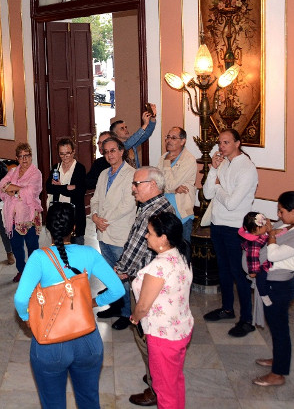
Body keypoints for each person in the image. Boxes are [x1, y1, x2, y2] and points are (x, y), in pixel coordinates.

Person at [14, 202, 124, 409]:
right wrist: (93, 302)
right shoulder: (90, 254)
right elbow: (118, 289)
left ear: (48, 228)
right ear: (74, 228)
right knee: (89, 400)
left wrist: (26, 318)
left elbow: (21, 298)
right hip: (88, 341)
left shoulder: (39, 257)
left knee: (53, 403)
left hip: (51, 342)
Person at [115, 166, 174, 407]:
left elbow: (137, 247)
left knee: (146, 336)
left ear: (152, 185)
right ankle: (156, 373)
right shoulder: (157, 206)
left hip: (149, 285)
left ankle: (156, 386)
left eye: (136, 184)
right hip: (155, 281)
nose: (133, 188)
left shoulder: (153, 212)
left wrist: (120, 270)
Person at [252, 191, 294, 387]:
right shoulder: (291, 225)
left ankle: (278, 374)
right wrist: (268, 232)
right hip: (272, 282)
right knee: (276, 327)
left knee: (280, 329)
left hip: (280, 287)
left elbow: (273, 255)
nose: (279, 216)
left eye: (282, 211)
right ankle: (278, 360)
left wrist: (271, 237)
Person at [130, 212, 193, 409]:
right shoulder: (180, 253)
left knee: (163, 388)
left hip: (163, 336)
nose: (146, 236)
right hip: (180, 329)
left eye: (149, 233)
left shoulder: (159, 267)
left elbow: (143, 305)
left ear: (163, 238)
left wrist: (135, 318)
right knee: (174, 381)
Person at [202, 128, 258, 338]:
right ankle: (227, 309)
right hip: (218, 224)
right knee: (223, 271)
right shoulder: (223, 163)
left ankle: (247, 320)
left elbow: (233, 203)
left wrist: (218, 189)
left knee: (238, 273)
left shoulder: (247, 168)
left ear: (237, 143)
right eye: (220, 143)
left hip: (236, 227)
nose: (221, 147)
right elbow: (207, 193)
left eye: (226, 142)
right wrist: (214, 171)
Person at [90, 136, 137, 328]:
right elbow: (95, 199)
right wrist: (94, 217)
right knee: (110, 274)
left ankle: (126, 313)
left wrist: (103, 220)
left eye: (113, 150)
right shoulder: (103, 174)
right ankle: (115, 306)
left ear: (121, 151)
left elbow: (128, 204)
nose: (109, 154)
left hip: (119, 233)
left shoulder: (132, 174)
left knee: (123, 276)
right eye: (106, 151)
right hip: (103, 232)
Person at [0, 143, 43, 283]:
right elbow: (1, 186)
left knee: (32, 247)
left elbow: (31, 191)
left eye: (27, 156)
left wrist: (12, 189)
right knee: (16, 247)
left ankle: (33, 273)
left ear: (31, 156)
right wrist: (19, 189)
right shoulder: (12, 172)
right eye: (21, 156)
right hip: (12, 217)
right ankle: (22, 271)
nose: (24, 159)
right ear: (17, 158)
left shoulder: (36, 173)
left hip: (29, 216)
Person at [156, 127, 197, 243]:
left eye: (173, 138)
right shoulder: (163, 157)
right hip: (164, 214)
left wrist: (167, 164)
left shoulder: (188, 159)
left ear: (183, 141)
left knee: (182, 255)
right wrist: (173, 189)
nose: (169, 140)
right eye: (168, 137)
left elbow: (171, 184)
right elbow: (157, 184)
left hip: (182, 216)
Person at [45, 138, 86, 245]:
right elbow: (48, 187)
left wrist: (59, 187)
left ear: (73, 152)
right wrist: (67, 187)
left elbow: (78, 192)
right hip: (58, 217)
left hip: (75, 217)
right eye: (61, 154)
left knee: (76, 251)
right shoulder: (56, 168)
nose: (65, 157)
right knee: (58, 250)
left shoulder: (80, 168)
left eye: (67, 153)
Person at [239, 212, 286, 307]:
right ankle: (264, 295)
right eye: (264, 225)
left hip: (267, 258)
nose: (267, 225)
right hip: (259, 265)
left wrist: (280, 230)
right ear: (256, 229)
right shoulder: (254, 243)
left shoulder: (261, 232)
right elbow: (253, 258)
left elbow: (272, 233)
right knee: (261, 277)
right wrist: (253, 272)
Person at [110, 103, 157, 168]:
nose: (126, 130)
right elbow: (129, 143)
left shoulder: (133, 145)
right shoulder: (117, 147)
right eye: (122, 128)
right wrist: (145, 124)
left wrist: (153, 117)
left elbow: (147, 133)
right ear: (115, 134)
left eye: (126, 127)